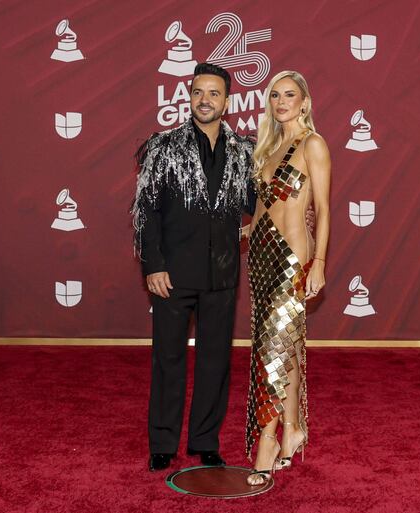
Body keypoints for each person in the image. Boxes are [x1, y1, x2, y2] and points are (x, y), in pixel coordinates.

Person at [131, 63, 256, 472]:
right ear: (189, 97)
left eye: (214, 93)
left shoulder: (244, 150)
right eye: (198, 92)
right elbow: (146, 211)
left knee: (215, 360)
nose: (205, 100)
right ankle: (163, 443)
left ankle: (205, 441)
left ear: (227, 101)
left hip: (221, 275)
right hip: (172, 274)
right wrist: (153, 265)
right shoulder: (163, 146)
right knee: (168, 358)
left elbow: (258, 205)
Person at [243, 70, 331, 485]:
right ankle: (293, 429)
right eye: (274, 95)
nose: (281, 102)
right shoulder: (270, 146)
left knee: (272, 351)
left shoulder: (313, 144)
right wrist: (245, 231)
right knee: (285, 344)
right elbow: (264, 208)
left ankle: (268, 439)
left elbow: (325, 210)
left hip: (293, 258)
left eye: (289, 95)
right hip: (261, 257)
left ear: (304, 101)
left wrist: (320, 264)